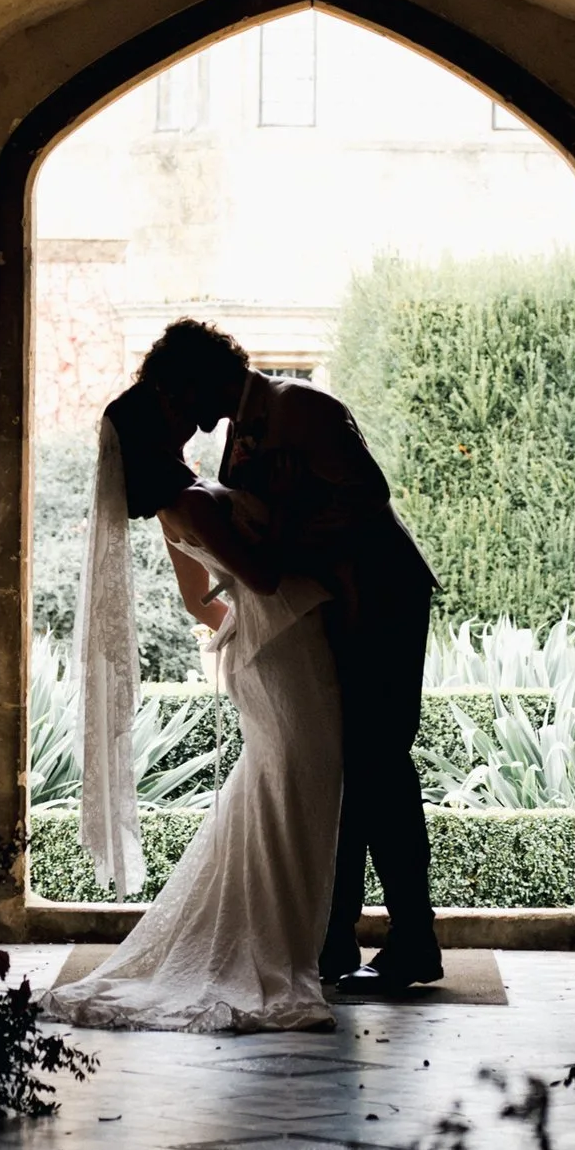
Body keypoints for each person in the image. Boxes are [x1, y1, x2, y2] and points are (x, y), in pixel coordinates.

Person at [53, 325, 343, 1032]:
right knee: (303, 790)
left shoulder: (171, 503)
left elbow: (198, 600)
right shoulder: (194, 502)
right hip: (285, 650)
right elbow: (263, 574)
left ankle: (285, 940)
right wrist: (283, 526)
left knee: (278, 794)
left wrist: (240, 614)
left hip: (264, 649)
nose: (185, 419)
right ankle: (284, 950)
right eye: (172, 412)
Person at [218, 356, 443, 992]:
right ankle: (333, 937)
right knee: (341, 767)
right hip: (333, 608)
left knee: (379, 764)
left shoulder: (303, 407)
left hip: (379, 599)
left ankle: (413, 942)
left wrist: (291, 531)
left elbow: (371, 496)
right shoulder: (245, 423)